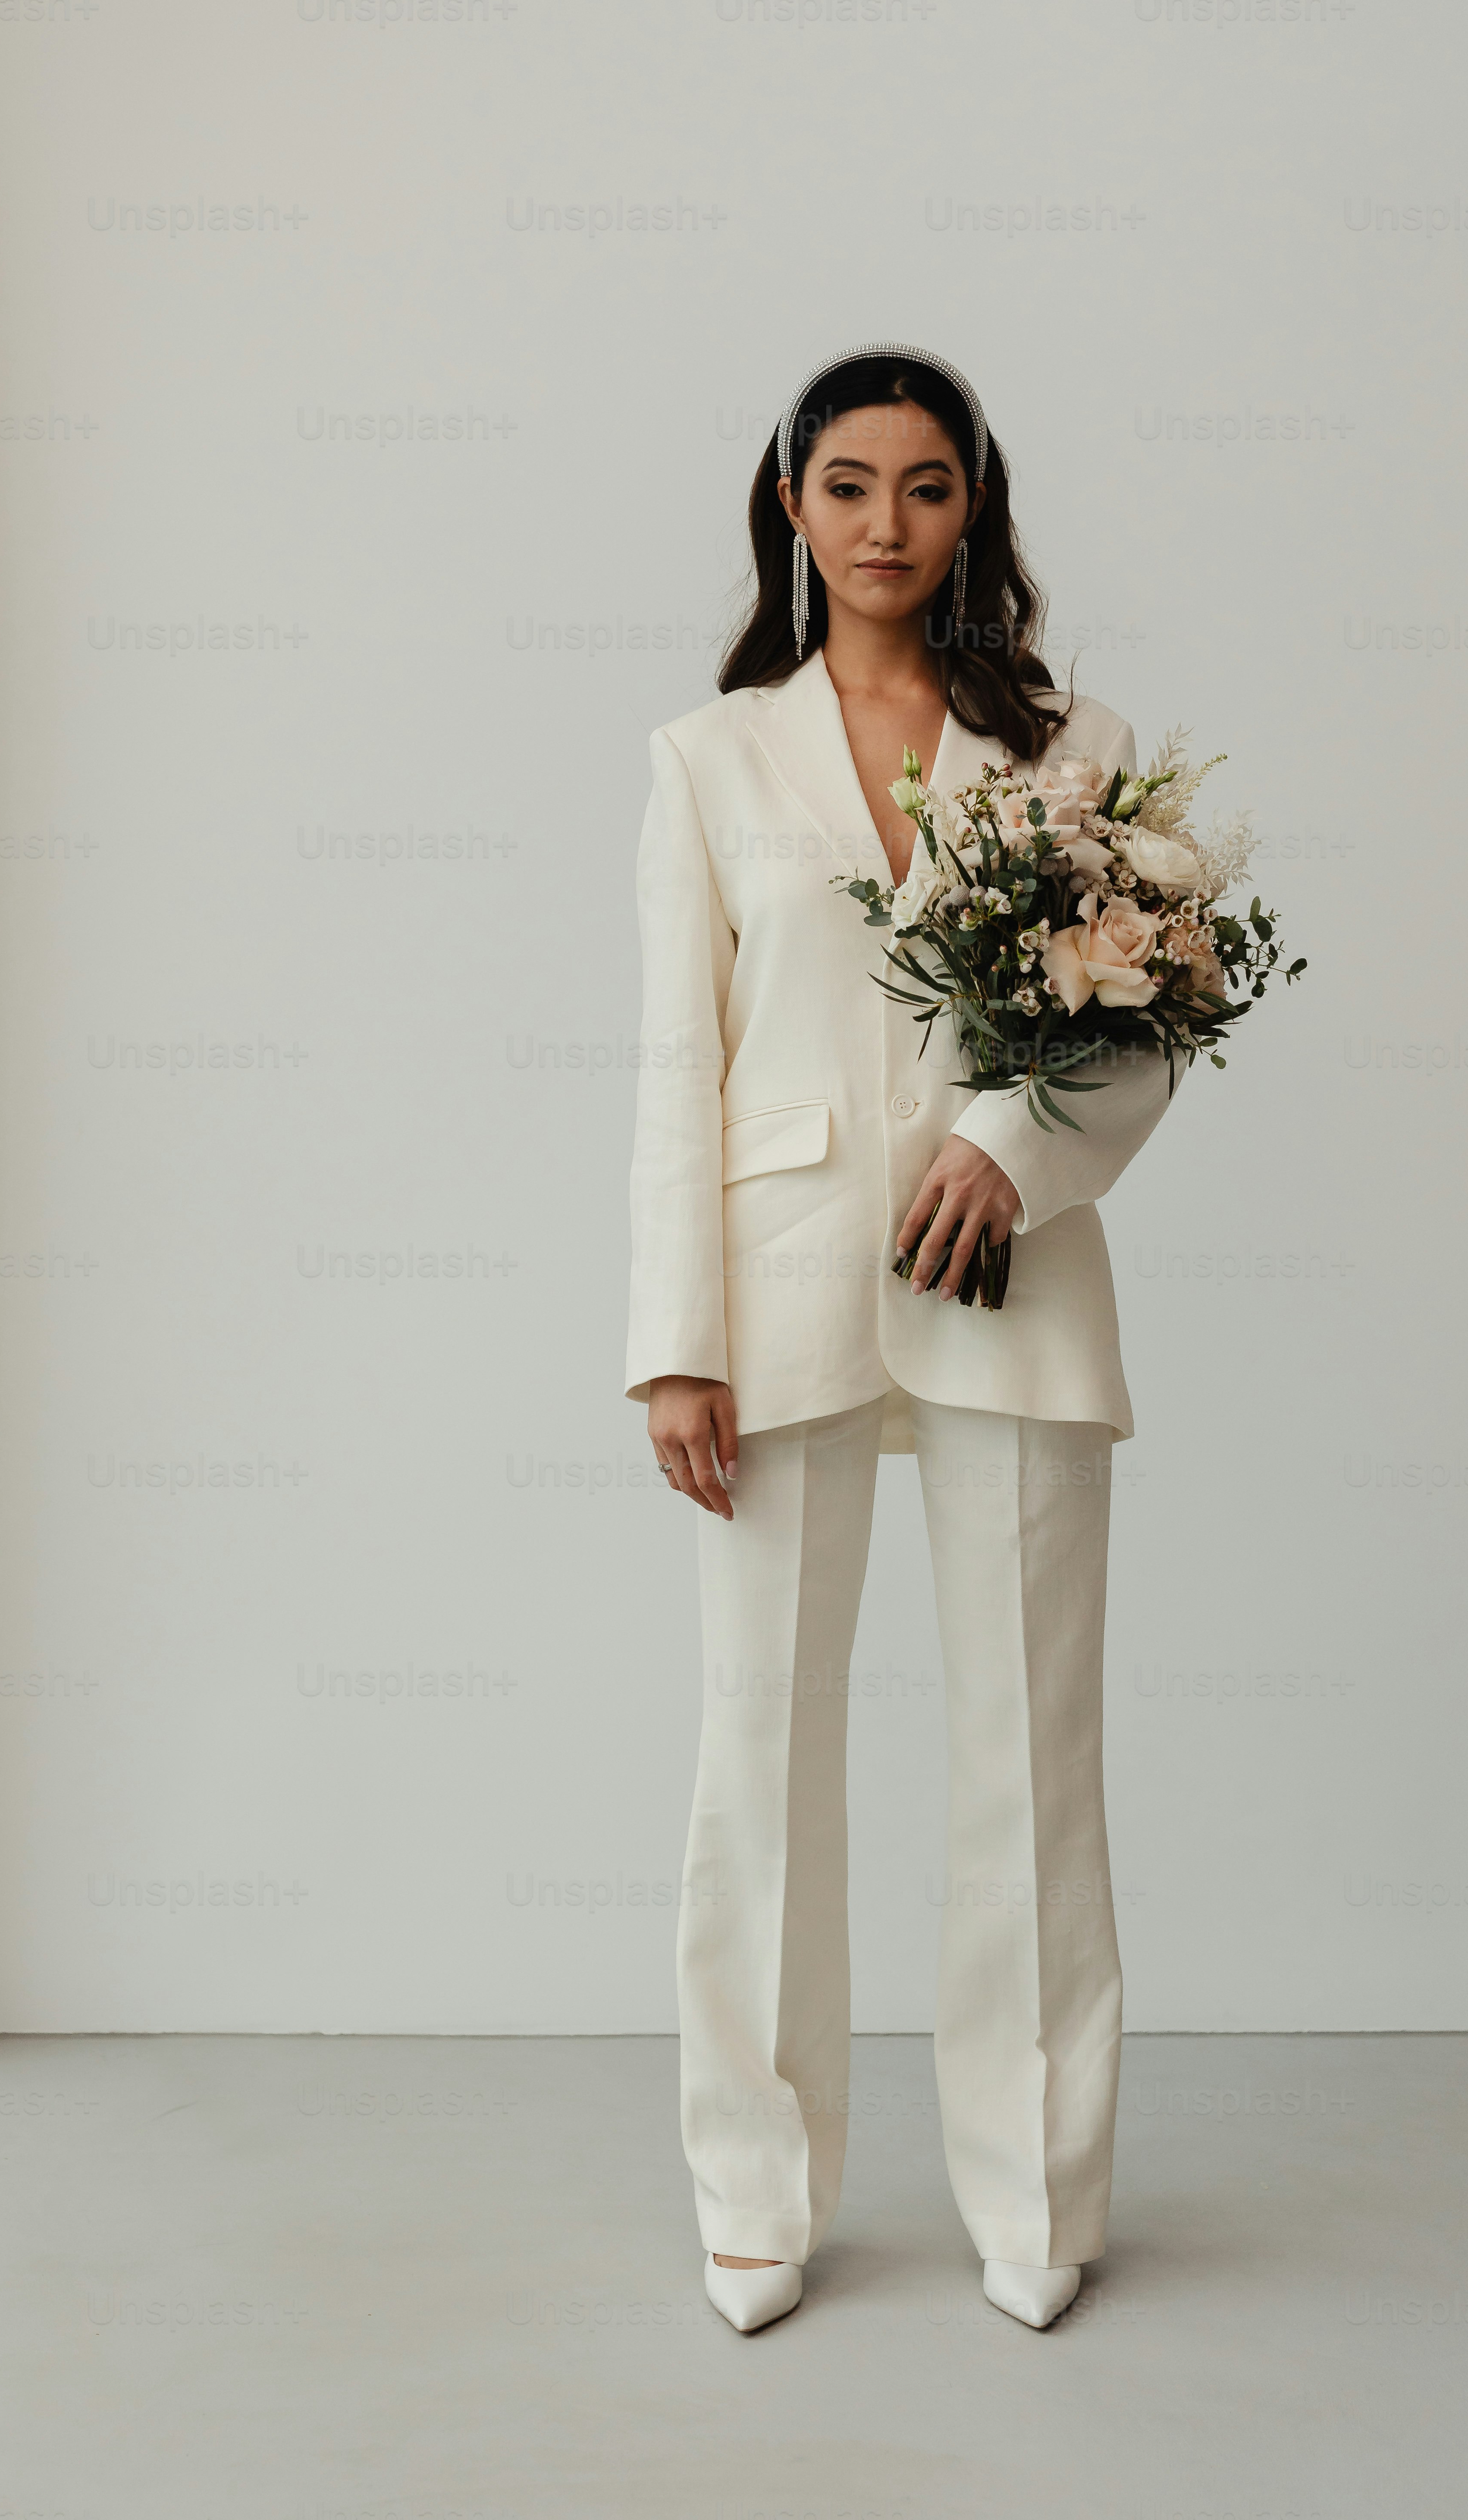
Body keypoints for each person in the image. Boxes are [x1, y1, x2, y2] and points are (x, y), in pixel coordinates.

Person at [626, 344, 1179, 2333]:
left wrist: (1006, 1151)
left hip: (1005, 1283)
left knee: (1028, 1754)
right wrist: (672, 1341)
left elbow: (1143, 1021)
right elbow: (672, 1063)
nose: (884, 522)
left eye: (925, 485)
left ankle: (1034, 2187)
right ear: (792, 505)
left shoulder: (1071, 746)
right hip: (774, 1290)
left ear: (973, 509)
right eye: (847, 484)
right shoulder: (709, 758)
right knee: (758, 1748)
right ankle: (753, 2187)